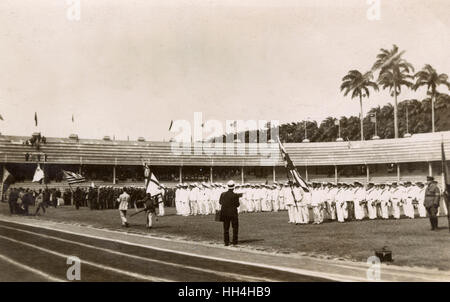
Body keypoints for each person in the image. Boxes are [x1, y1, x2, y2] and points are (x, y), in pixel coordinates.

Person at [219, 180, 242, 246]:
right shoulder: (235, 195)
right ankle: (235, 241)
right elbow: (237, 205)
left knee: (226, 228)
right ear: (233, 187)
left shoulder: (223, 194)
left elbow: (220, 202)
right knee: (235, 228)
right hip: (233, 213)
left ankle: (226, 242)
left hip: (225, 213)